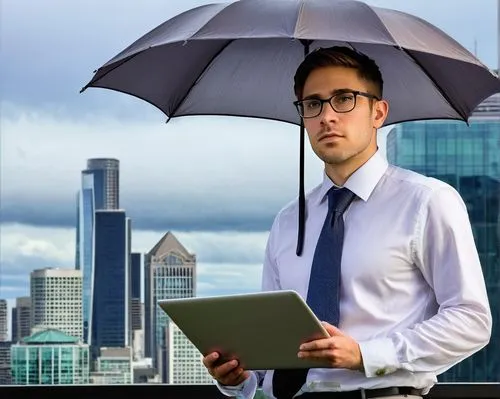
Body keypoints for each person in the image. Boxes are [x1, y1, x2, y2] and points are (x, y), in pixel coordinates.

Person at [202, 46, 492, 399]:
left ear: (378, 112)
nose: (327, 116)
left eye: (344, 99)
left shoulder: (426, 201)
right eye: (313, 104)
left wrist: (365, 354)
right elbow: (272, 344)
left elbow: (471, 321)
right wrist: (237, 378)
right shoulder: (289, 220)